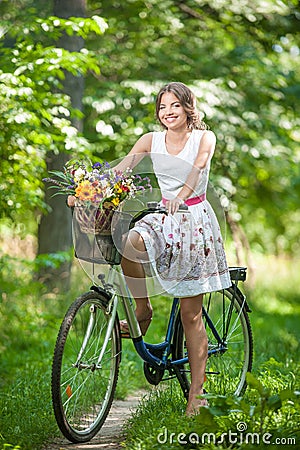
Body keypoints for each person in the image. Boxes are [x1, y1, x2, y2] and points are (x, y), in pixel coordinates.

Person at [69, 82, 231, 415]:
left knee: (191, 314)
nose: (168, 113)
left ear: (188, 108)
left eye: (175, 106)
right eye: (162, 107)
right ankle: (142, 310)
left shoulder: (205, 138)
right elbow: (117, 173)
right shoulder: (149, 140)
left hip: (193, 219)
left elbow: (198, 167)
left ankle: (196, 396)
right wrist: (85, 193)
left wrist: (181, 196)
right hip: (163, 214)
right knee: (130, 240)